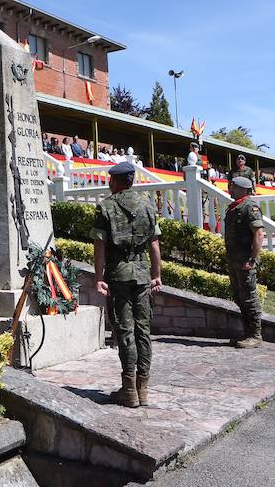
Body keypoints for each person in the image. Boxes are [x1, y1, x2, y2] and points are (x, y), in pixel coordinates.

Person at [91, 161, 163, 408]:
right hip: (142, 275)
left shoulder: (105, 207)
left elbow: (99, 246)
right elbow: (154, 244)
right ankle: (143, 389)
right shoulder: (147, 206)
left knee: (125, 330)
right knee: (143, 330)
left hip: (119, 275)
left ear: (114, 181)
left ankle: (129, 388)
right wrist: (156, 274)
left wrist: (98, 277)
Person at [224, 176, 265, 349]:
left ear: (241, 188)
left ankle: (255, 335)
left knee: (249, 297)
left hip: (245, 261)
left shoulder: (250, 207)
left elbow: (259, 233)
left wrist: (253, 259)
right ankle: (247, 333)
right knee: (239, 296)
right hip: (234, 260)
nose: (230, 189)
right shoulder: (234, 207)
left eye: (232, 186)